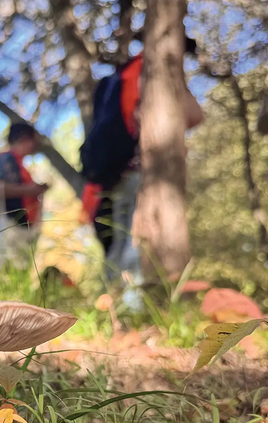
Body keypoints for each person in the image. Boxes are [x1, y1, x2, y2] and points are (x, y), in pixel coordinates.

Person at [80, 40, 204, 287]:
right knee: (135, 237)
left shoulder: (124, 74)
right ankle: (130, 304)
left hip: (118, 172)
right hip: (140, 170)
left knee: (121, 237)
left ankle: (110, 301)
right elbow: (195, 116)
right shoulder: (152, 72)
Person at [0, 123, 49, 270]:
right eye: (32, 141)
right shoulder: (7, 159)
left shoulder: (19, 165)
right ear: (23, 139)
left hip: (18, 229)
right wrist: (31, 190)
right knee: (4, 270)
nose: (34, 146)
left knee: (15, 271)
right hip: (7, 226)